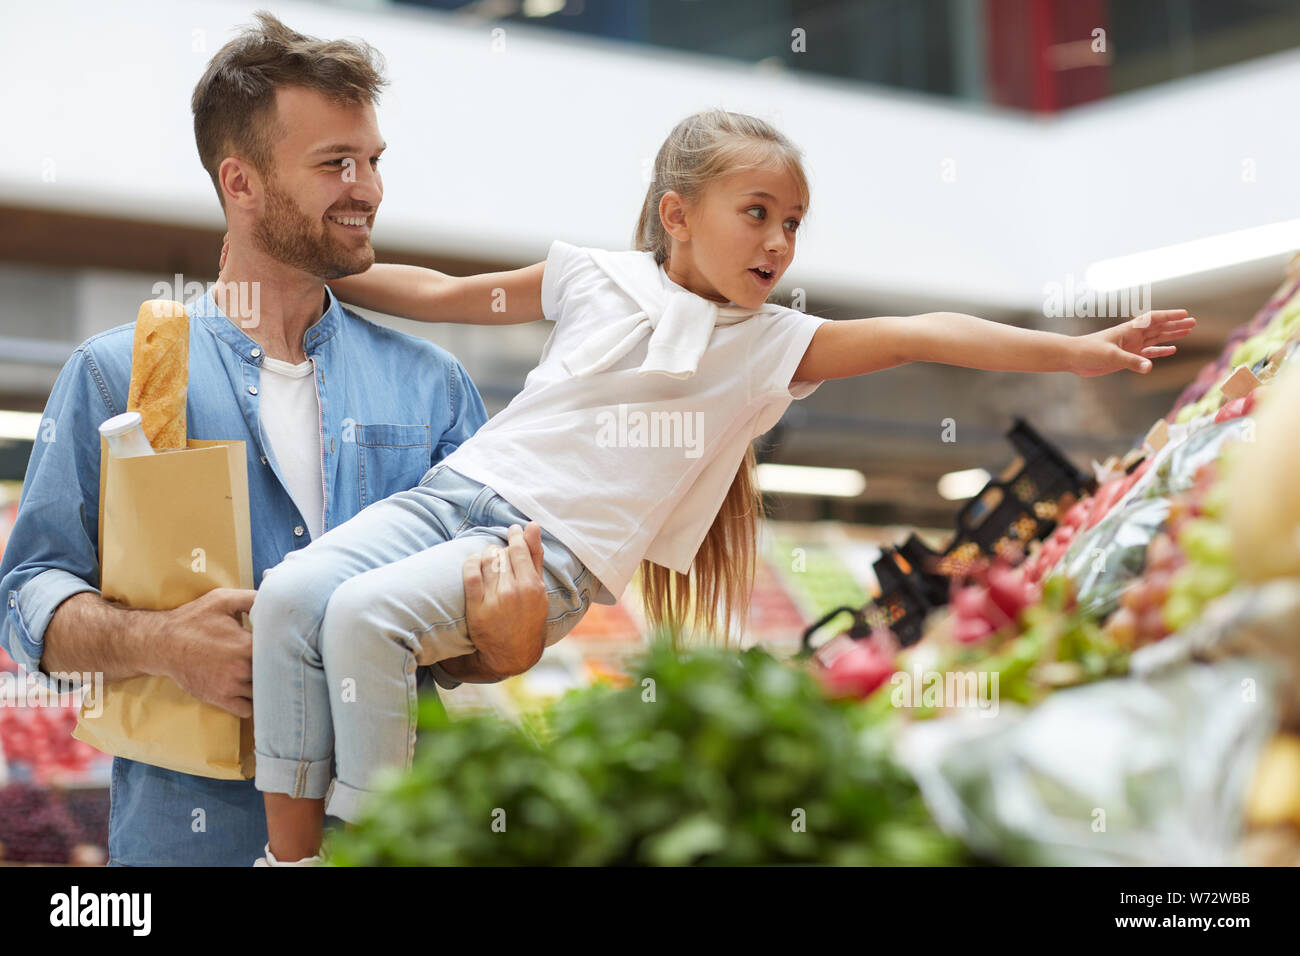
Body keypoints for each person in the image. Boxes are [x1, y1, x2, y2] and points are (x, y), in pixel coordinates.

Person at [241, 107, 1197, 864]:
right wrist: (304, 266)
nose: (779, 241)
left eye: (792, 224)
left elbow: (921, 329)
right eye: (758, 214)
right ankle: (292, 861)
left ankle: (372, 852)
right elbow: (448, 293)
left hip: (543, 550)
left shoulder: (775, 344)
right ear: (676, 214)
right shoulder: (593, 278)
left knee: (365, 621)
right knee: (288, 597)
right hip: (452, 494)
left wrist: (1074, 353)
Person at [0, 11, 551, 867]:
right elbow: (28, 597)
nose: (365, 187)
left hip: (397, 832)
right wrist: (164, 645)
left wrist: (505, 648)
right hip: (190, 839)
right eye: (335, 163)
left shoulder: (433, 385)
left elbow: (471, 619)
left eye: (372, 161)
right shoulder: (118, 377)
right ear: (242, 182)